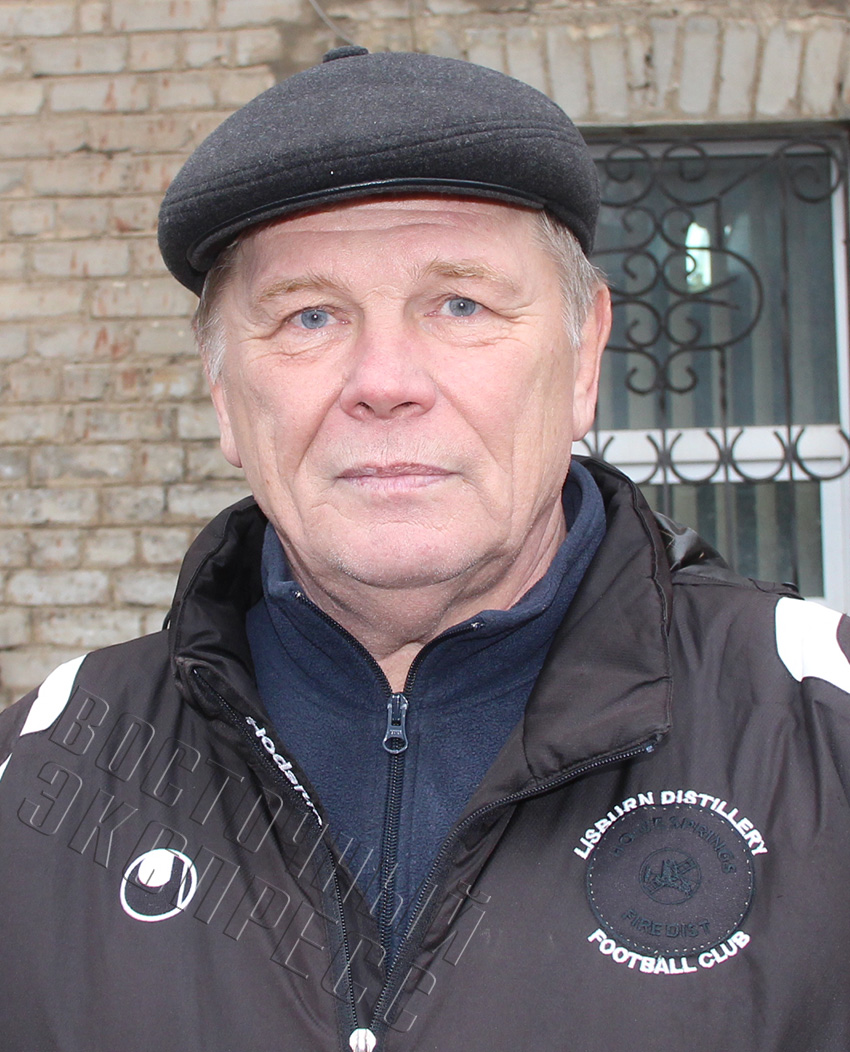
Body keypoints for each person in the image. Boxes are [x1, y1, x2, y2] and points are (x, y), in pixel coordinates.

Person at [1, 46, 850, 1052]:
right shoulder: (38, 776)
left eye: (460, 305)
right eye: (310, 315)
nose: (385, 380)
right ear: (224, 392)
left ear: (583, 355)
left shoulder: (821, 735)